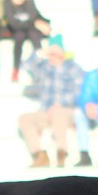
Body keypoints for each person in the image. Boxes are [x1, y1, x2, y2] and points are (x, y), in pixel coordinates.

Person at [18, 38, 83, 168]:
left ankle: (62, 153)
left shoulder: (73, 68)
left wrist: (60, 104)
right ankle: (39, 155)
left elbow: (78, 92)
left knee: (58, 114)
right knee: (24, 119)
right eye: (51, 53)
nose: (52, 56)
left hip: (66, 110)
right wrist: (41, 52)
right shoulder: (44, 68)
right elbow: (25, 65)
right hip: (47, 111)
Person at [3, 0, 52, 80]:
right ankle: (16, 69)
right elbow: (14, 24)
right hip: (15, 31)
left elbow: (34, 16)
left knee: (35, 34)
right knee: (19, 36)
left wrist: (29, 0)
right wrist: (34, 23)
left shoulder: (28, 3)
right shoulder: (7, 4)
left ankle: (39, 66)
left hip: (30, 30)